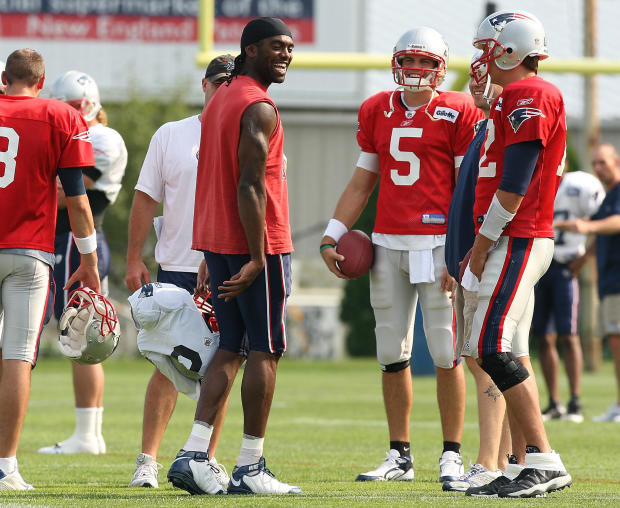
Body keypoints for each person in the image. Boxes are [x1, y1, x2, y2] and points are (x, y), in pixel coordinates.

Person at [321, 27, 484, 483]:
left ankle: (451, 453)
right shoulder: (376, 109)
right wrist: (331, 236)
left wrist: (460, 251)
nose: (415, 71)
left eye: (425, 63)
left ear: (440, 67)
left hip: (436, 246)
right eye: (408, 62)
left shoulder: (457, 111)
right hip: (387, 242)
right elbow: (361, 183)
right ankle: (399, 455)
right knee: (391, 351)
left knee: (447, 350)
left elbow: (465, 190)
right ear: (395, 63)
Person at [166, 17, 300, 495]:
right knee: (265, 349)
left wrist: (209, 248)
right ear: (250, 49)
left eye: (289, 47)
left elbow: (213, 174)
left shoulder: (222, 95)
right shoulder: (258, 105)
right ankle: (250, 466)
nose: (284, 55)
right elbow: (248, 184)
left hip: (218, 241)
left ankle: (195, 453)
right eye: (274, 47)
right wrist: (260, 255)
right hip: (252, 244)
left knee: (231, 346)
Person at [461, 10, 572, 497]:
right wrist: (488, 106)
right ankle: (518, 466)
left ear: (507, 50)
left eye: (487, 48)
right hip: (515, 235)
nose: (482, 58)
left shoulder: (531, 95)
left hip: (518, 236)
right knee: (503, 348)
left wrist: (483, 243)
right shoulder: (513, 99)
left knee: (492, 347)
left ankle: (543, 461)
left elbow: (516, 183)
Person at [124, 55, 234, 488]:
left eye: (232, 83)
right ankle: (147, 460)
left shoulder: (248, 131)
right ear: (204, 85)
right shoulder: (172, 134)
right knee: (169, 366)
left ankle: (203, 459)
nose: (224, 90)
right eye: (218, 82)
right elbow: (145, 197)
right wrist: (135, 256)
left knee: (221, 369)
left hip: (226, 265)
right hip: (177, 266)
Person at [0, 48, 100, 490]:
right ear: (41, 84)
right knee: (18, 358)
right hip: (29, 253)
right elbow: (78, 199)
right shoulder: (60, 116)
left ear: (5, 78)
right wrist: (90, 261)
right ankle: (5, 467)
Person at [37, 71, 127, 456]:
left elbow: (67, 197)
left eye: (76, 106)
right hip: (60, 240)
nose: (72, 113)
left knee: (81, 333)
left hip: (79, 242)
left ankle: (88, 434)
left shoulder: (102, 139)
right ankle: (87, 434)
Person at [533, 169, 604, 423]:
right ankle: (554, 403)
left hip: (566, 265)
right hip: (540, 266)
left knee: (569, 334)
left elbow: (602, 221)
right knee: (543, 336)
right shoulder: (535, 179)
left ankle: (575, 402)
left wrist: (585, 257)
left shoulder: (580, 184)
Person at [556, 143, 620, 423]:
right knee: (615, 342)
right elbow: (592, 221)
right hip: (608, 278)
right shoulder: (608, 196)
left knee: (617, 343)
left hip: (618, 278)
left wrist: (587, 227)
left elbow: (615, 222)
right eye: (595, 163)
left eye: (603, 162)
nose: (598, 168)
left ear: (615, 161)